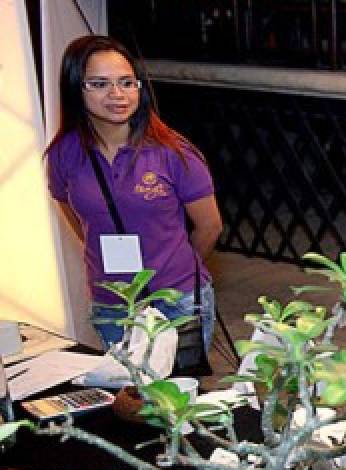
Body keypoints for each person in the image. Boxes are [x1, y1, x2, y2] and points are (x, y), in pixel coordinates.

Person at [45, 35, 222, 351]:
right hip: (111, 303)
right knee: (127, 392)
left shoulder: (174, 152)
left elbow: (210, 226)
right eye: (99, 84)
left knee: (175, 397)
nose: (117, 94)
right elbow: (71, 211)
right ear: (75, 88)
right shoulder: (63, 153)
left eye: (127, 82)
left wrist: (175, 267)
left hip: (175, 301)